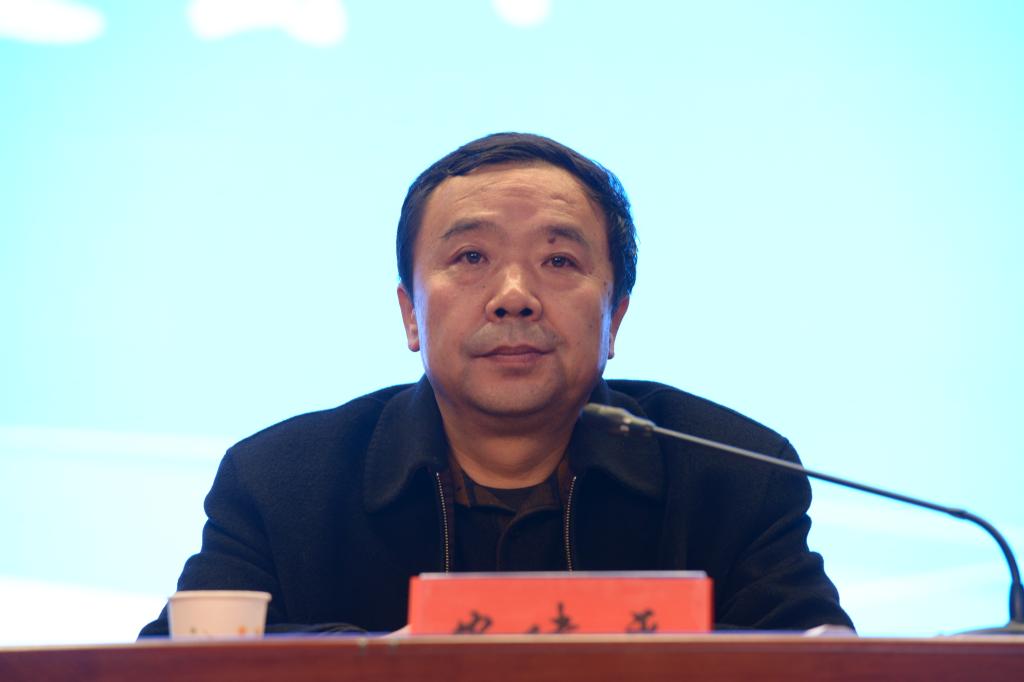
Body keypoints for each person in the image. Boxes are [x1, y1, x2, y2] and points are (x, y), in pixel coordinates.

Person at [140, 132, 852, 636]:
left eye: (559, 261)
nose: (514, 297)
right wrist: (383, 661)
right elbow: (179, 659)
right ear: (410, 313)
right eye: (471, 257)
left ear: (615, 318)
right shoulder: (280, 483)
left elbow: (824, 661)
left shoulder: (733, 473)